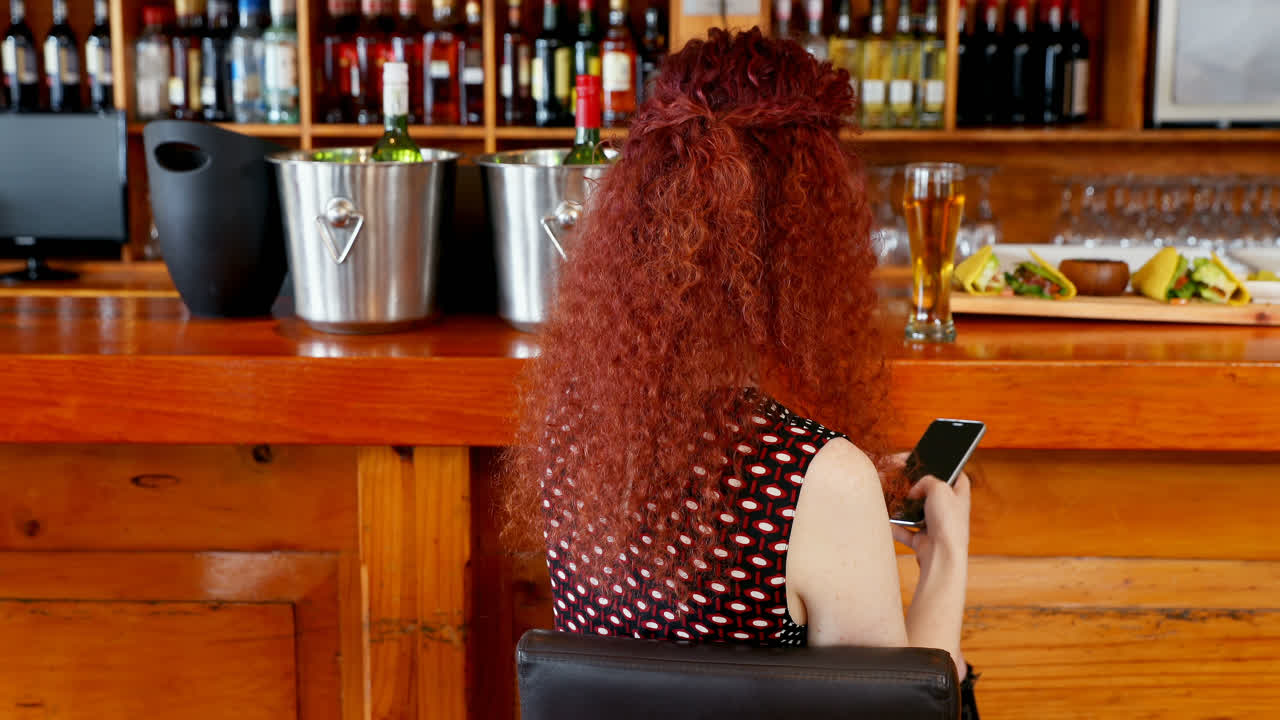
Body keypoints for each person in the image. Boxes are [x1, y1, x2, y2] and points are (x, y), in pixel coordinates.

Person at [502, 26, 977, 712]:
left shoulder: (574, 430)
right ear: (809, 233)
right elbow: (904, 713)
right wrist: (946, 560)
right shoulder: (820, 479)